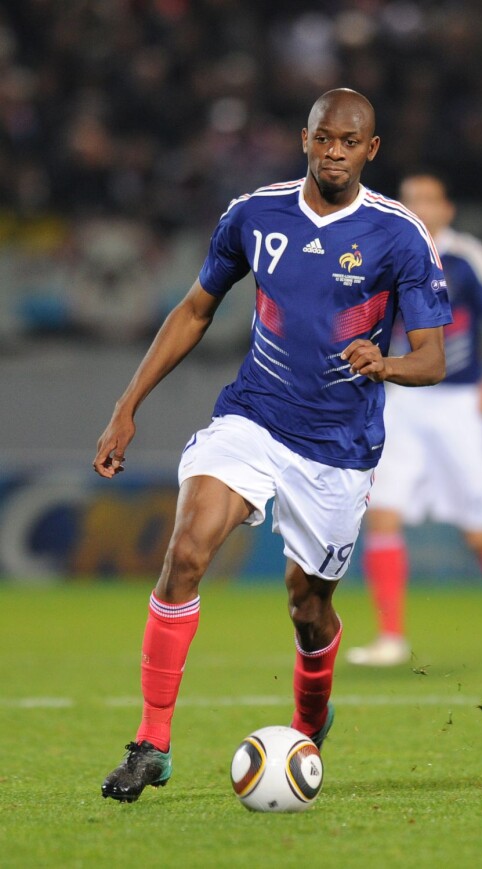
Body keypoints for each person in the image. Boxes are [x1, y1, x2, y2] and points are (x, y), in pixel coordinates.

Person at [93, 90, 452, 803]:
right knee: (188, 550)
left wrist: (385, 364)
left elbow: (433, 358)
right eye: (324, 139)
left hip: (338, 450)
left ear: (370, 150)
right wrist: (126, 406)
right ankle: (152, 742)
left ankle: (308, 725)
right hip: (253, 419)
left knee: (308, 609)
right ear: (305, 139)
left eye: (350, 143)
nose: (335, 154)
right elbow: (197, 308)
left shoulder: (399, 235)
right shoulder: (254, 214)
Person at [347, 171, 482, 669]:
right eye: (409, 199)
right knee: (384, 511)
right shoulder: (383, 253)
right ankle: (391, 636)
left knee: (481, 534)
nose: (418, 207)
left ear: (447, 210)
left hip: (460, 405)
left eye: (427, 200)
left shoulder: (468, 258)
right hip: (403, 398)